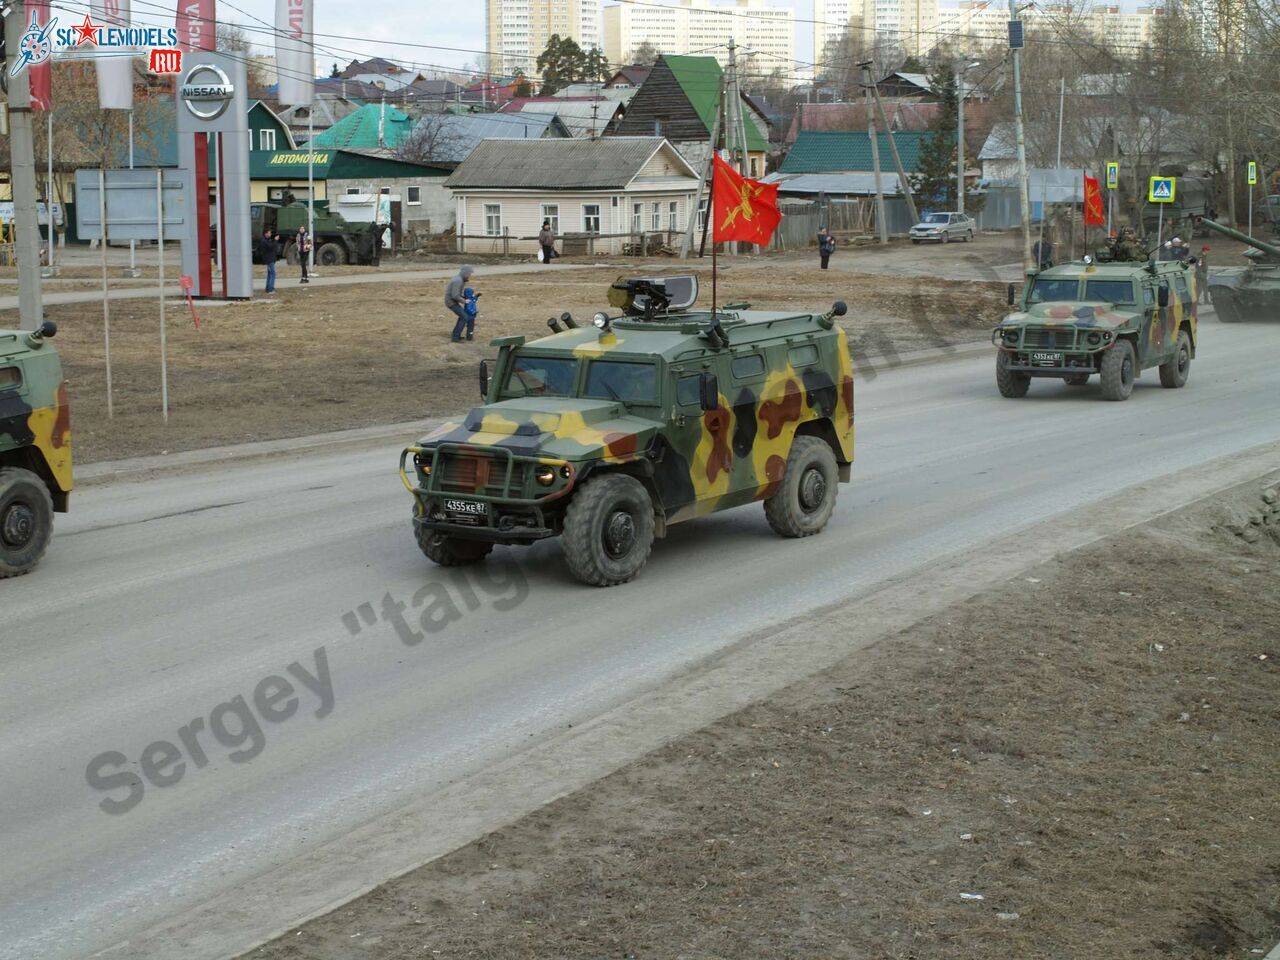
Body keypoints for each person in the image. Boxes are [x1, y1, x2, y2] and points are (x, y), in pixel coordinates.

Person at [446, 265, 475, 343]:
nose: (469, 276)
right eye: (469, 274)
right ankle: (455, 337)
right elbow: (455, 295)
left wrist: (465, 298)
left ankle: (456, 334)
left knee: (463, 316)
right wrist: (464, 301)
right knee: (464, 317)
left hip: (453, 301)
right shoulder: (458, 281)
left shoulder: (460, 279)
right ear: (465, 273)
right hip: (451, 302)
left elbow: (457, 294)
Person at [258, 227, 281, 294]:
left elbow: (272, 246)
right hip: (269, 259)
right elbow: (270, 247)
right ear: (266, 233)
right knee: (273, 273)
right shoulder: (264, 241)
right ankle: (270, 289)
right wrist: (276, 240)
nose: (270, 234)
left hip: (270, 258)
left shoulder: (267, 240)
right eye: (269, 233)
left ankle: (268, 288)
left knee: (270, 273)